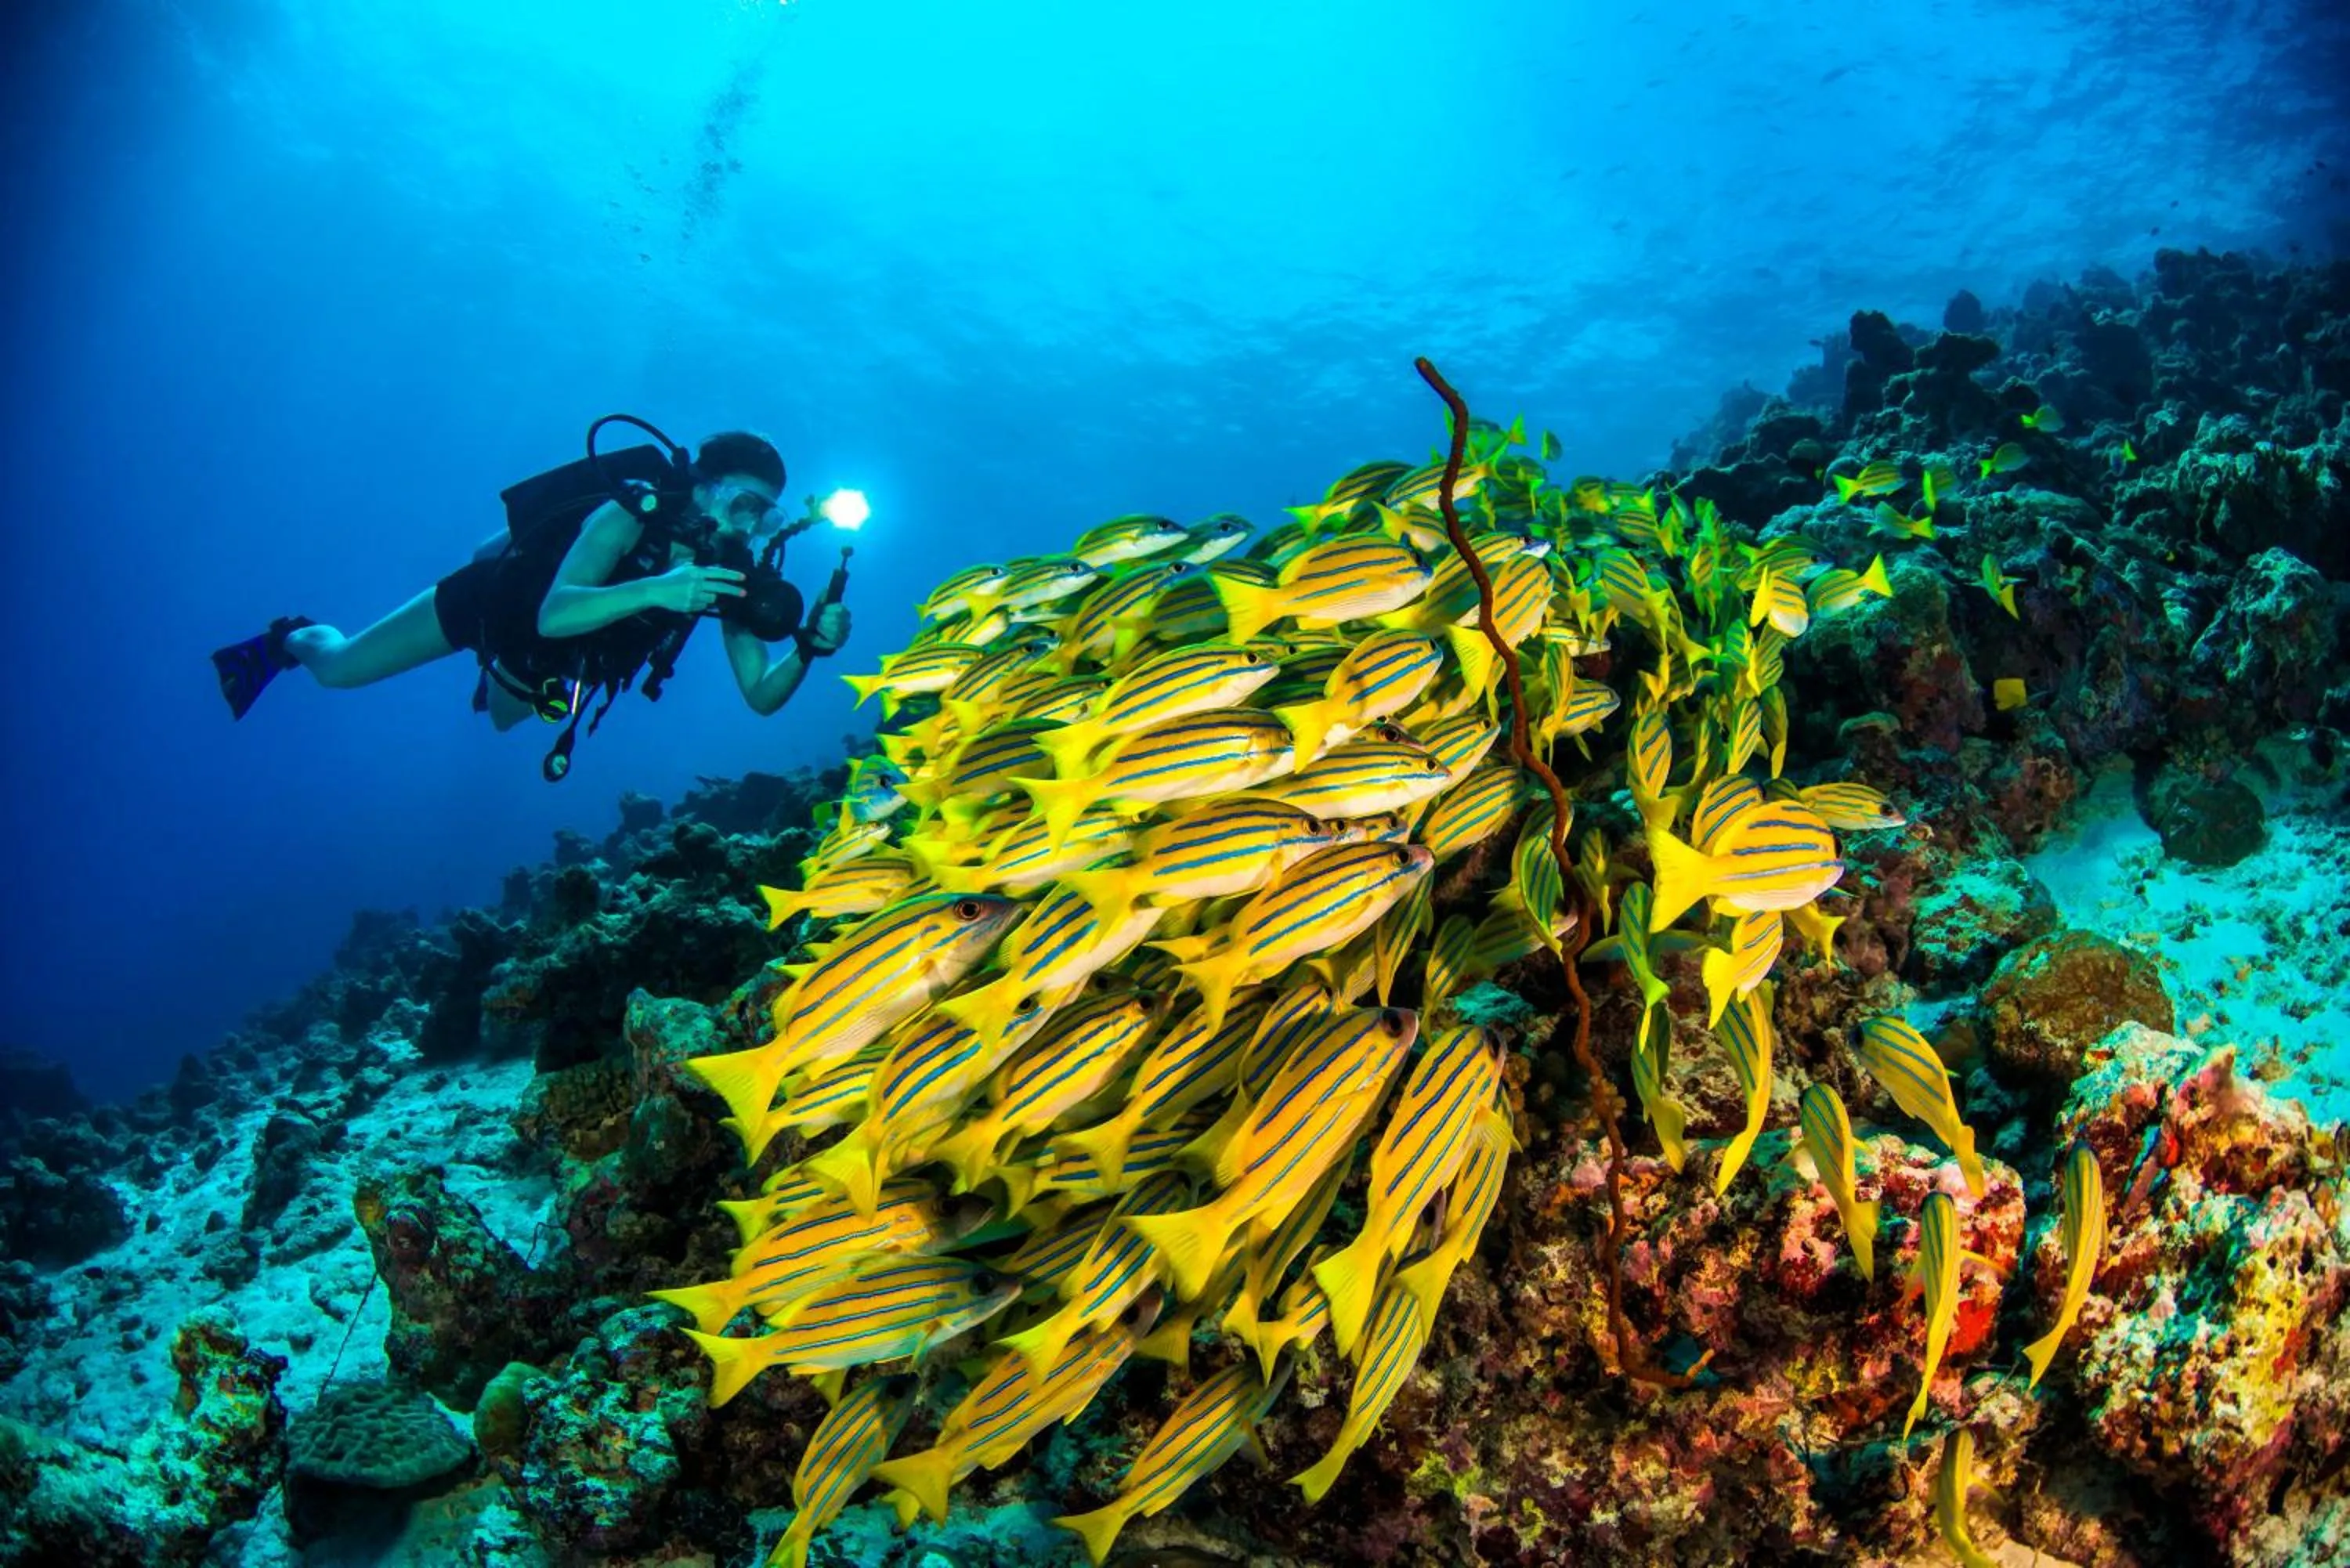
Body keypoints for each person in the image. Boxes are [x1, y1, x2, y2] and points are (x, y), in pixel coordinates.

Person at [212, 427, 851, 774]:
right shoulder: (631, 512)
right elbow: (556, 610)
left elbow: (762, 697)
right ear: (704, 488)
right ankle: (288, 636)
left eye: (765, 517)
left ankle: (497, 677)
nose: (748, 527)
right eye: (743, 504)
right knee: (341, 671)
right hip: (495, 605)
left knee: (501, 715)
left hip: (549, 663)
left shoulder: (731, 569)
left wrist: (805, 648)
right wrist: (657, 588)